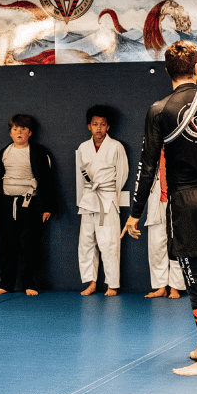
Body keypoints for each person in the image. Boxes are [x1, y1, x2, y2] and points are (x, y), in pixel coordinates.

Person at [125, 40, 197, 377]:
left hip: (185, 201)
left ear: (167, 71)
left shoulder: (159, 109)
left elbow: (148, 167)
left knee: (196, 278)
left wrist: (135, 213)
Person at [0, 114, 60, 296]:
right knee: (6, 246)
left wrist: (46, 207)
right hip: (6, 204)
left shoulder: (39, 153)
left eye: (23, 129)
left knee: (28, 245)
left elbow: (46, 181)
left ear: (30, 132)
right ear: (10, 133)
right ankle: (6, 284)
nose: (19, 132)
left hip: (30, 205)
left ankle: (29, 283)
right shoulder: (3, 153)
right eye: (15, 129)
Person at [76, 105, 127, 297]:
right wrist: (85, 196)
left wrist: (111, 194)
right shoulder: (83, 147)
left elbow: (122, 174)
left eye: (102, 124)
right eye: (95, 124)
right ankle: (91, 282)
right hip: (88, 199)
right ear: (89, 126)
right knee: (87, 242)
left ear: (108, 127)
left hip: (107, 198)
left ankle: (112, 284)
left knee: (109, 242)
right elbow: (80, 176)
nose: (99, 128)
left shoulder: (116, 147)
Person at [142, 151, 185, 299]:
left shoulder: (181, 145)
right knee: (156, 245)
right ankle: (161, 286)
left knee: (177, 244)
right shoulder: (150, 151)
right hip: (156, 200)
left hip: (178, 199)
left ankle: (175, 287)